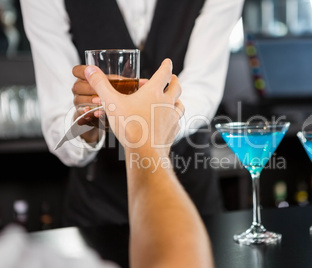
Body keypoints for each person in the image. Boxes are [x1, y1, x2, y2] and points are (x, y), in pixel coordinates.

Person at [20, 0, 245, 226]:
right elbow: (60, 122)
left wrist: (148, 125)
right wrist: (88, 123)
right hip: (99, 209)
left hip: (189, 199)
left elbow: (202, 87)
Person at [0, 60, 214, 268]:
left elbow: (204, 90)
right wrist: (145, 137)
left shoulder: (20, 253)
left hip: (198, 194)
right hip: (93, 213)